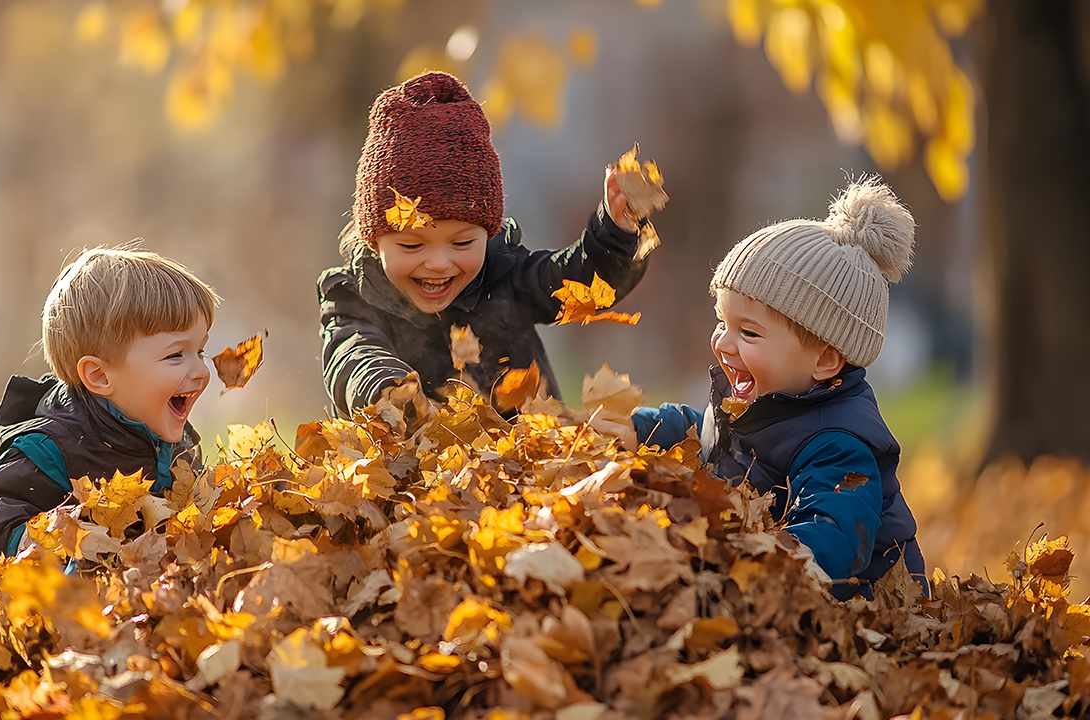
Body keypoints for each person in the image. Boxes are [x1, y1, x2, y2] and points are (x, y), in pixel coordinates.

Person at [633, 179, 925, 598]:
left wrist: (741, 566)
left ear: (825, 360)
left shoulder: (839, 446)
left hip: (865, 624)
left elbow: (828, 544)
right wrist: (639, 429)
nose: (723, 343)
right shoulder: (766, 402)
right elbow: (706, 434)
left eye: (749, 333)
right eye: (723, 323)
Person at [319, 71, 660, 417]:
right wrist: (385, 389)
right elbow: (353, 355)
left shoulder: (505, 274)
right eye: (412, 246)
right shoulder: (355, 299)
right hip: (405, 466)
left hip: (524, 463)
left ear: (489, 233)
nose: (438, 263)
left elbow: (580, 283)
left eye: (462, 242)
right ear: (374, 242)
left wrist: (616, 232)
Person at [0, 247, 220, 557]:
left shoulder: (174, 444)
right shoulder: (56, 450)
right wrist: (46, 539)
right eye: (175, 355)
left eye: (200, 352)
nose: (201, 370)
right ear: (100, 376)